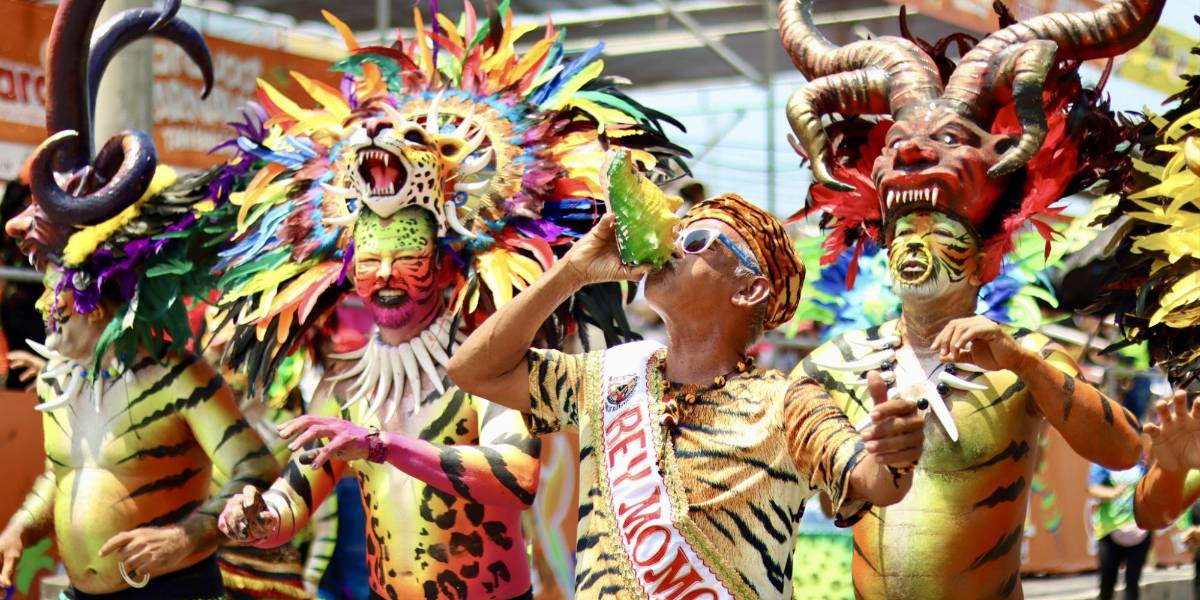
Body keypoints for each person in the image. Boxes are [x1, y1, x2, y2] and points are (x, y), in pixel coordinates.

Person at [210, 5, 688, 599]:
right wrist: (257, 516)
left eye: (406, 251)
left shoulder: (483, 368)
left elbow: (517, 477)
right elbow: (294, 498)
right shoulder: (346, 386)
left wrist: (382, 447)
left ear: (442, 262)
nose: (384, 272)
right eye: (368, 257)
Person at [776, 0, 1159, 596]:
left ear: (985, 259)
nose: (916, 244)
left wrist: (1025, 363)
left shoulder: (1021, 359)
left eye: (940, 234)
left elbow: (1123, 447)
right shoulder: (835, 365)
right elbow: (813, 474)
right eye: (905, 231)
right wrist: (867, 462)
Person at [449, 193, 927, 599]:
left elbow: (875, 481)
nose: (672, 248)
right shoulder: (612, 375)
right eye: (675, 235)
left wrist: (894, 454)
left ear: (749, 289)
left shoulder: (786, 400)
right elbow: (473, 370)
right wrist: (572, 272)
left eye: (696, 242)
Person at [0, 2, 279, 597]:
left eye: (59, 303)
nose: (48, 324)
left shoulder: (181, 377)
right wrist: (21, 526)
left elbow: (257, 470)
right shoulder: (58, 380)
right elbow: (63, 474)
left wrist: (184, 538)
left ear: (104, 301)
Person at [1090, 461, 1152, 600]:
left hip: (1139, 530)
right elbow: (1092, 488)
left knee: (1132, 583)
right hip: (1109, 530)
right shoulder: (1103, 459)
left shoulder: (1143, 460)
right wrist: (1112, 493)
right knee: (1107, 584)